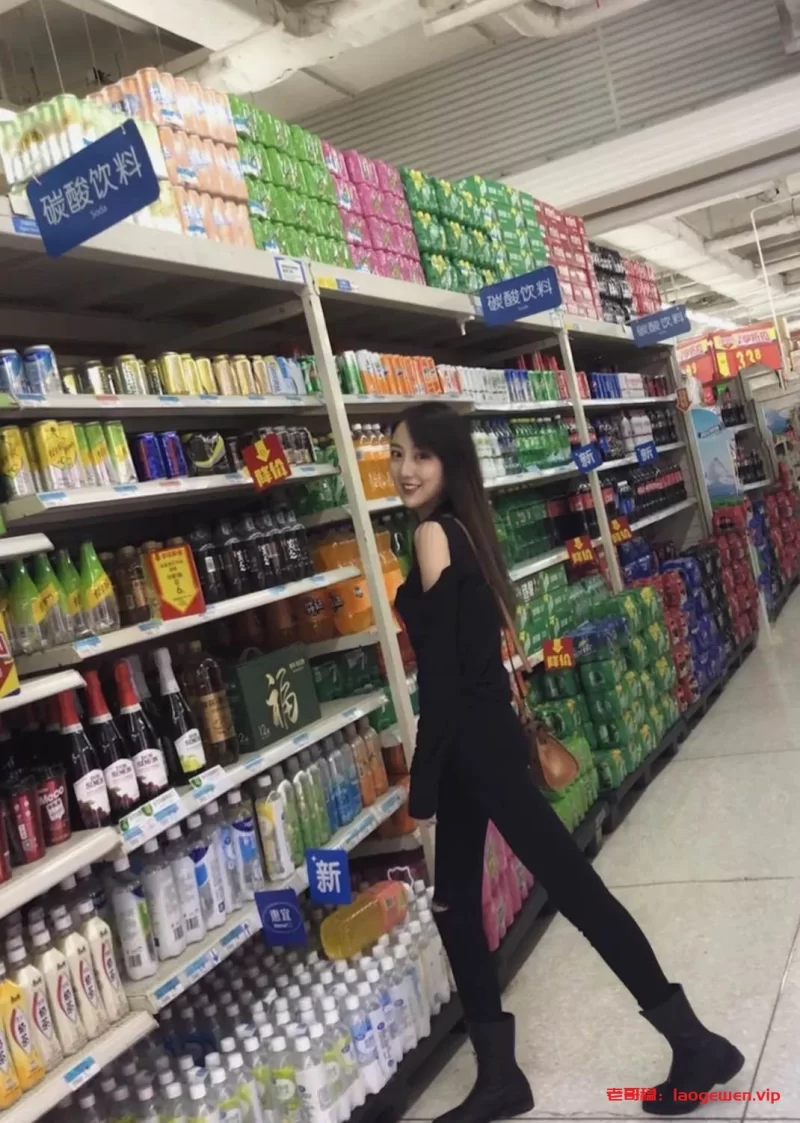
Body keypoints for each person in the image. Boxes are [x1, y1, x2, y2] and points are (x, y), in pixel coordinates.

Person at [390, 402, 743, 1122]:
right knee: (456, 904)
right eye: (395, 453)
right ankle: (500, 1078)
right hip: (476, 747)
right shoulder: (465, 529)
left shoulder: (432, 534)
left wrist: (421, 787)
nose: (404, 469)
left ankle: (694, 1043)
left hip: (473, 751)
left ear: (450, 462)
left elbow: (445, 683)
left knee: (573, 891)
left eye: (420, 455)